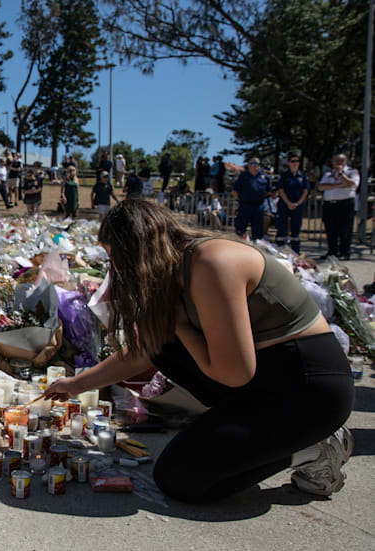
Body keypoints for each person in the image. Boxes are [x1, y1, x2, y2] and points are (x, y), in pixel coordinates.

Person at [42, 200, 354, 503]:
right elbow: (144, 350)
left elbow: (235, 373)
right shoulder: (175, 268)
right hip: (266, 383)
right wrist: (75, 385)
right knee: (163, 343)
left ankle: (313, 447)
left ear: (137, 251)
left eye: (117, 260)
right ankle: (248, 431)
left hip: (308, 388)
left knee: (180, 478)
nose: (118, 271)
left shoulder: (211, 263)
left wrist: (180, 327)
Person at [318, 154, 360, 260]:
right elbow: (321, 187)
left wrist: (341, 174)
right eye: (335, 161)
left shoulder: (352, 172)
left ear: (345, 161)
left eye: (341, 160)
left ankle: (344, 252)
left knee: (345, 229)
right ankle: (332, 251)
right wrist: (340, 185)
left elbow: (351, 184)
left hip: (345, 204)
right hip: (330, 204)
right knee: (330, 229)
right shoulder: (328, 174)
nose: (338, 163)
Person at [275, 153, 310, 254]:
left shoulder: (303, 176)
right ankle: (280, 251)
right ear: (289, 163)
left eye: (297, 161)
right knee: (282, 228)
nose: (295, 163)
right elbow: (281, 190)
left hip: (298, 206)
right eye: (292, 161)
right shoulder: (284, 175)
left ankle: (295, 253)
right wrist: (288, 203)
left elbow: (305, 191)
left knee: (296, 229)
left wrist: (298, 203)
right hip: (284, 205)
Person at [232, 157, 270, 241]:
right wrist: (242, 199)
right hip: (245, 206)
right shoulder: (243, 176)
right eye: (253, 163)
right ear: (248, 165)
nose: (256, 165)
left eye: (258, 163)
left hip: (258, 207)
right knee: (240, 230)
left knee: (258, 232)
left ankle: (256, 246)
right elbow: (235, 191)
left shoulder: (265, 177)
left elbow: (268, 192)